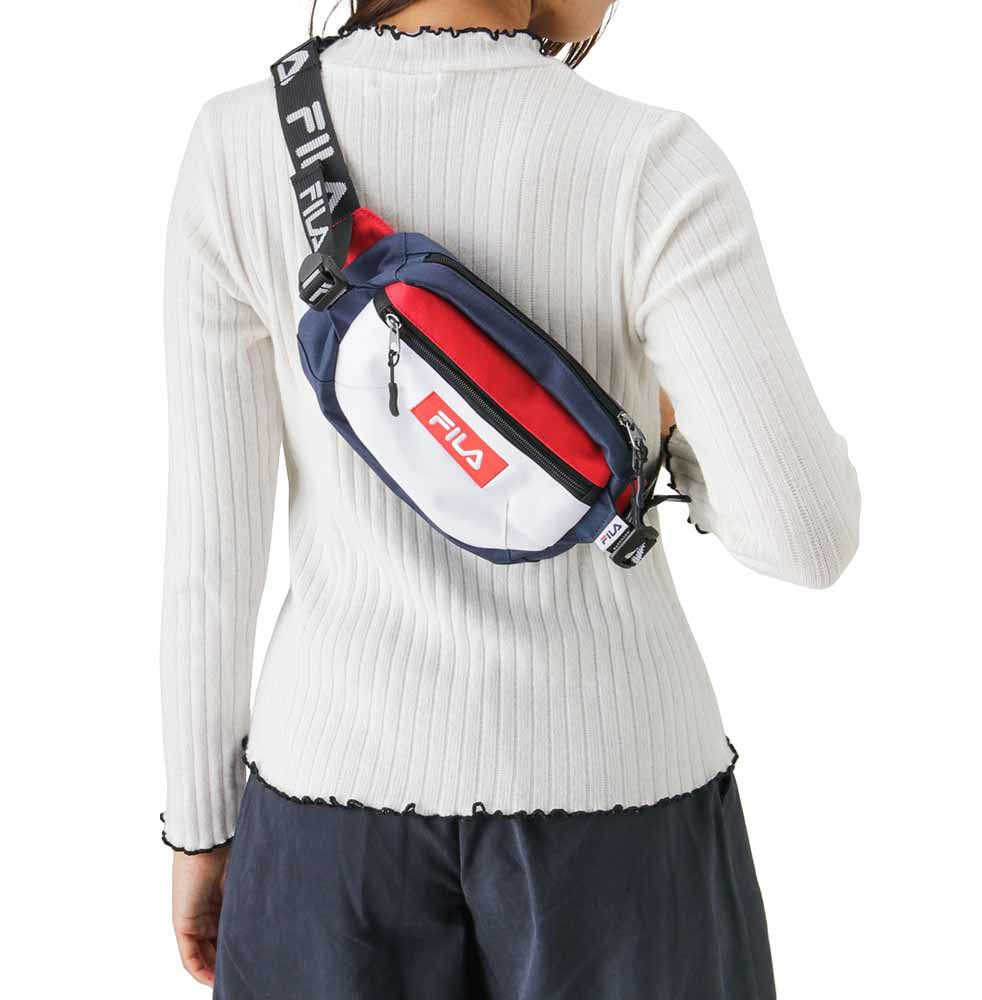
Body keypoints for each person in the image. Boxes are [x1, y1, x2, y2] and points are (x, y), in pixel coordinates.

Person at [161, 2, 860, 997]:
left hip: (325, 819)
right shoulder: (652, 165)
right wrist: (661, 430)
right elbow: (807, 534)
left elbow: (209, 556)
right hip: (624, 801)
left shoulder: (240, 146)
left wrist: (199, 826)